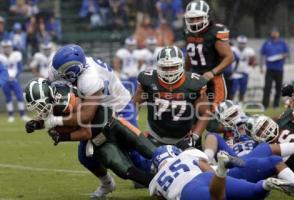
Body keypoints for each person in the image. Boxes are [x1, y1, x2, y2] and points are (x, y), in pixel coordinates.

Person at [33, 44, 155, 198]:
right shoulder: (57, 69)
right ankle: (108, 184)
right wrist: (40, 119)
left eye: (61, 73)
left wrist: (55, 121)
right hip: (98, 110)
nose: (57, 75)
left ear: (74, 71)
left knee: (137, 153)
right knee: (86, 156)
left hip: (118, 106)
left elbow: (86, 116)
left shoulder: (89, 78)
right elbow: (49, 95)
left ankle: (165, 171)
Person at [149, 145, 294, 200]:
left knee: (217, 197)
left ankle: (222, 169)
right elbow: (205, 167)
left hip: (189, 189)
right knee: (254, 192)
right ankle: (265, 184)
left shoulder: (155, 182)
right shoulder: (186, 155)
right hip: (208, 176)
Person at [133, 46, 210, 146]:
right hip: (155, 135)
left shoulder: (195, 83)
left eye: (173, 66)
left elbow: (205, 113)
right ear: (158, 66)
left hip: (185, 137)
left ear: (181, 65)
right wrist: (137, 131)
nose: (169, 71)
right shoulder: (147, 79)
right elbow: (133, 105)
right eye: (165, 67)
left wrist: (195, 136)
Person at [184, 0, 234, 108]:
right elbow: (190, 56)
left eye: (198, 18)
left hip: (213, 81)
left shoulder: (215, 31)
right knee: (191, 114)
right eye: (192, 18)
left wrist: (212, 72)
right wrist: (184, 73)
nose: (195, 21)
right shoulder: (187, 32)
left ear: (207, 16)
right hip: (194, 79)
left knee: (216, 115)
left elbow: (229, 57)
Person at [113, 37, 141, 126]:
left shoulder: (138, 53)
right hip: (126, 77)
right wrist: (119, 72)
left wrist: (138, 70)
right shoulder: (122, 52)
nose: (131, 47)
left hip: (135, 77)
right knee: (124, 96)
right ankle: (120, 113)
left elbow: (141, 61)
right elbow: (116, 61)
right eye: (130, 45)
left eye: (133, 45)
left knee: (136, 97)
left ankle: (135, 113)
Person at [0, 40, 30, 122]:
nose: (7, 49)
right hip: (5, 81)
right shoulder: (1, 57)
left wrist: (15, 76)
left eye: (8, 47)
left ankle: (22, 115)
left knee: (20, 96)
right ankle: (10, 116)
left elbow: (20, 67)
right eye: (5, 47)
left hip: (15, 79)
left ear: (11, 47)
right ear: (2, 48)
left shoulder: (16, 55)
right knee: (8, 97)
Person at [260, 28, 289, 109]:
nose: (274, 34)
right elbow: (262, 55)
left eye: (275, 33)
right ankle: (265, 105)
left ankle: (276, 105)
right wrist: (261, 67)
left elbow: (287, 53)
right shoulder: (267, 43)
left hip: (279, 69)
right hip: (269, 69)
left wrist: (280, 56)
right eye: (273, 33)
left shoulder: (282, 42)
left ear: (278, 34)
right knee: (267, 87)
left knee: (278, 87)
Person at [231, 35, 256, 103]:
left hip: (244, 73)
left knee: (242, 90)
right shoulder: (233, 49)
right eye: (240, 43)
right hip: (234, 73)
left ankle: (240, 104)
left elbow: (254, 61)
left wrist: (251, 66)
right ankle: (231, 104)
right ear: (238, 43)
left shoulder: (249, 51)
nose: (242, 45)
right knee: (233, 90)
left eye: (243, 43)